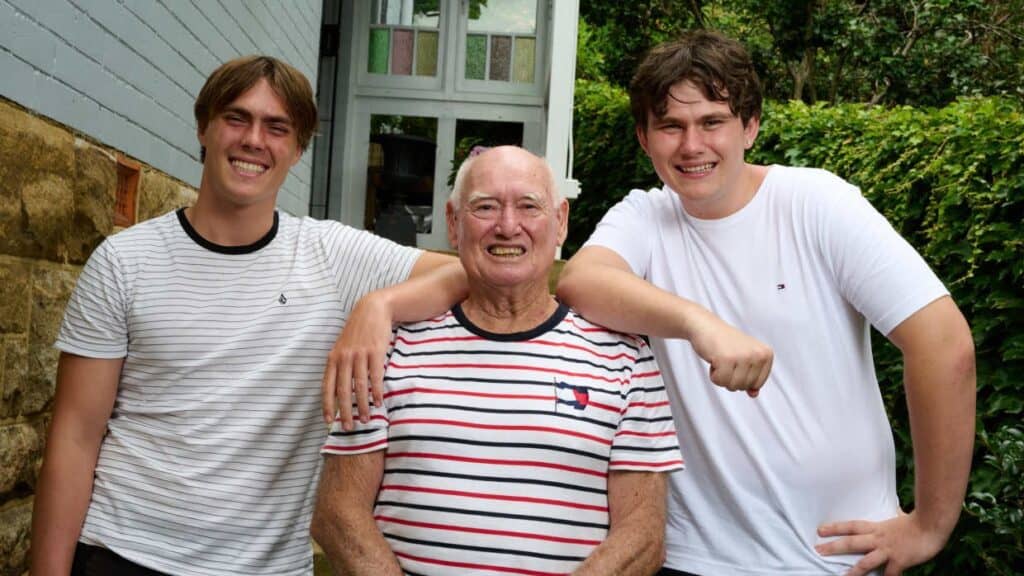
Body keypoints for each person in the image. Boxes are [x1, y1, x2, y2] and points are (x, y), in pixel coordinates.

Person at [556, 31, 977, 576]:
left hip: (833, 561)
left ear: (750, 126)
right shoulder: (645, 217)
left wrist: (930, 525)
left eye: (712, 122)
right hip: (692, 560)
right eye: (671, 126)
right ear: (644, 138)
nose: (692, 145)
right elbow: (581, 280)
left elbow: (944, 344)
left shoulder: (816, 204)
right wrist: (699, 323)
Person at [29, 55, 459, 576]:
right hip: (123, 553)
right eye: (237, 118)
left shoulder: (332, 257)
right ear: (204, 128)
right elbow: (75, 438)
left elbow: (468, 274)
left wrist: (379, 305)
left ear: (298, 149)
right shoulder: (125, 262)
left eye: (277, 127)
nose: (254, 140)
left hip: (264, 567)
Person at [312, 146, 683, 575]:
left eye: (529, 206)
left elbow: (643, 536)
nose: (508, 227)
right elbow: (338, 514)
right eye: (485, 207)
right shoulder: (386, 349)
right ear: (454, 223)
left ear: (560, 221)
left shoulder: (626, 360)